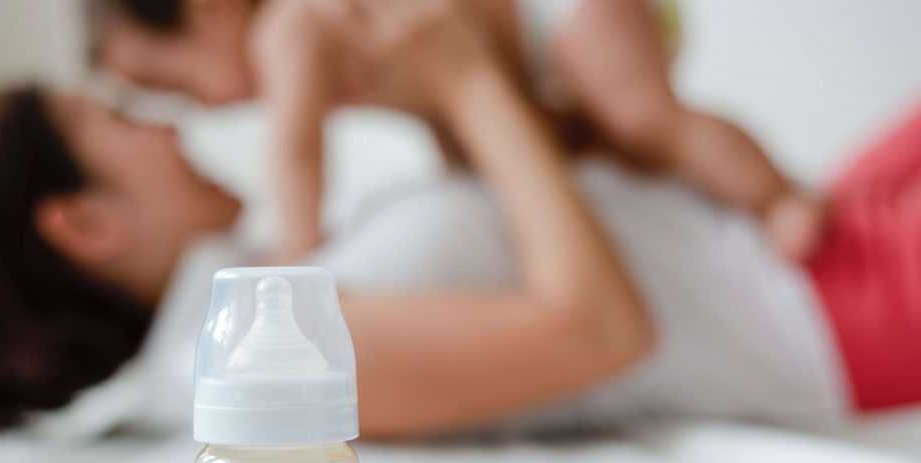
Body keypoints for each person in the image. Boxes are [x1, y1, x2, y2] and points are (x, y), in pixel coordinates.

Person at [0, 0, 918, 437]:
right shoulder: (256, 358)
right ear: (84, 225)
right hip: (827, 311)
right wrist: (465, 79)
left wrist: (456, 88)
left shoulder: (253, 287)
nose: (173, 130)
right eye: (124, 121)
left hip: (782, 246)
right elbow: (605, 328)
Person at [88, 0, 824, 263]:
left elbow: (297, 148)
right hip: (521, 66)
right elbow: (435, 106)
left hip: (553, 14)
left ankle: (779, 196)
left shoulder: (289, 25)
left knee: (644, 117)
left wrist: (299, 246)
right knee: (608, 150)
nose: (196, 110)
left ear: (211, 8)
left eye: (175, 83)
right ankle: (725, 214)